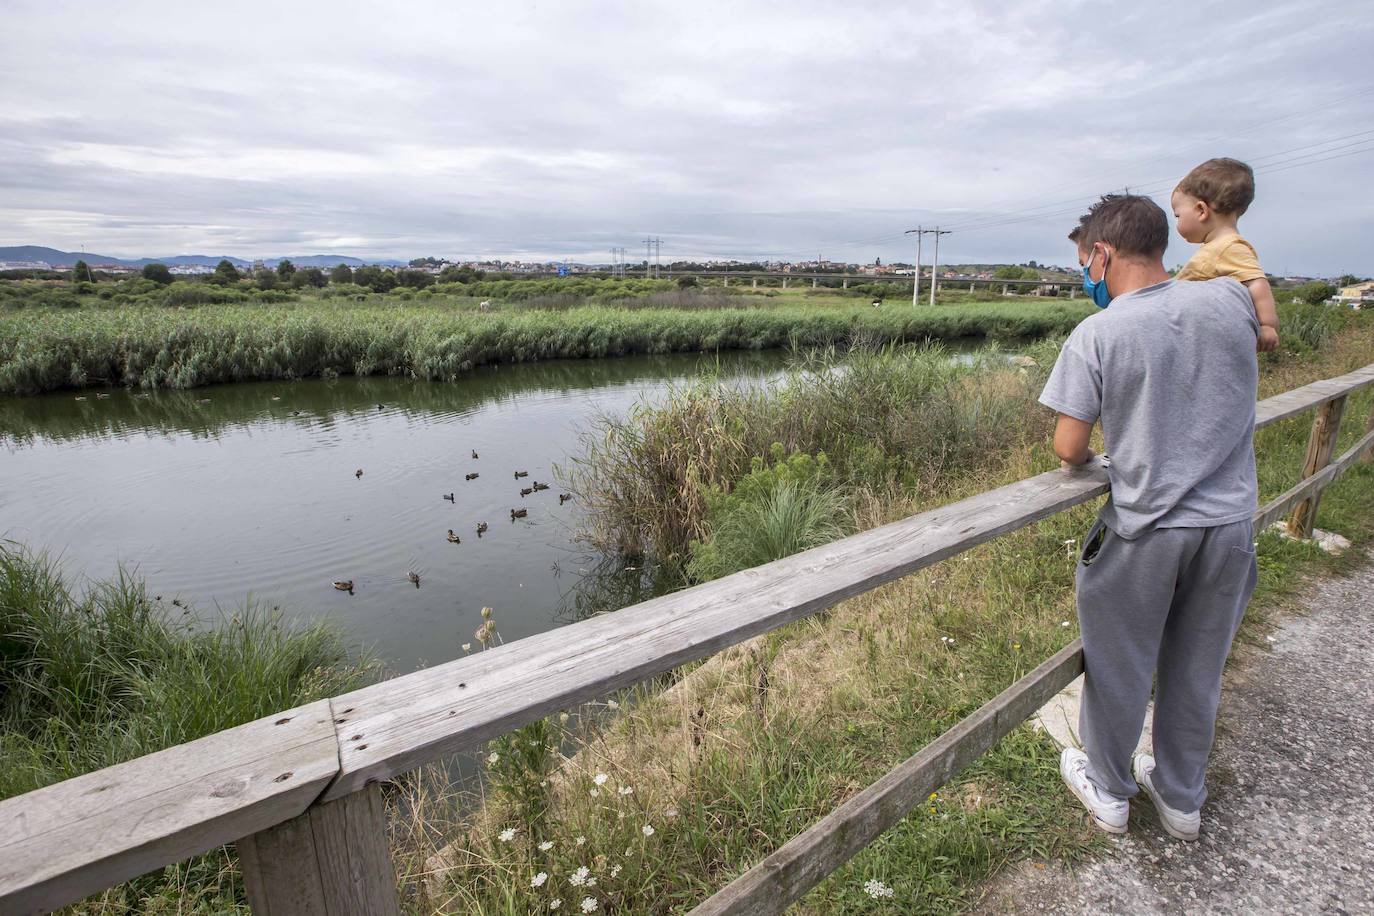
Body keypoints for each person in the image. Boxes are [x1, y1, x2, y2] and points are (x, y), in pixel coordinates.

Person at [1039, 194, 1260, 841]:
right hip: (1228, 526)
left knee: (1121, 662)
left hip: (1146, 529)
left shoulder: (1099, 334)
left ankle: (1110, 789)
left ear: (1102, 254)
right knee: (1197, 667)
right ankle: (1181, 796)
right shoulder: (1229, 302)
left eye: (1086, 264)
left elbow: (1068, 447)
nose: (1087, 277)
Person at [1171, 157, 1280, 352]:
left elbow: (1257, 283)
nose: (1177, 222)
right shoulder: (1217, 246)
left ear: (1201, 210)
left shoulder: (1229, 247)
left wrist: (1267, 325)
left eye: (1177, 215)